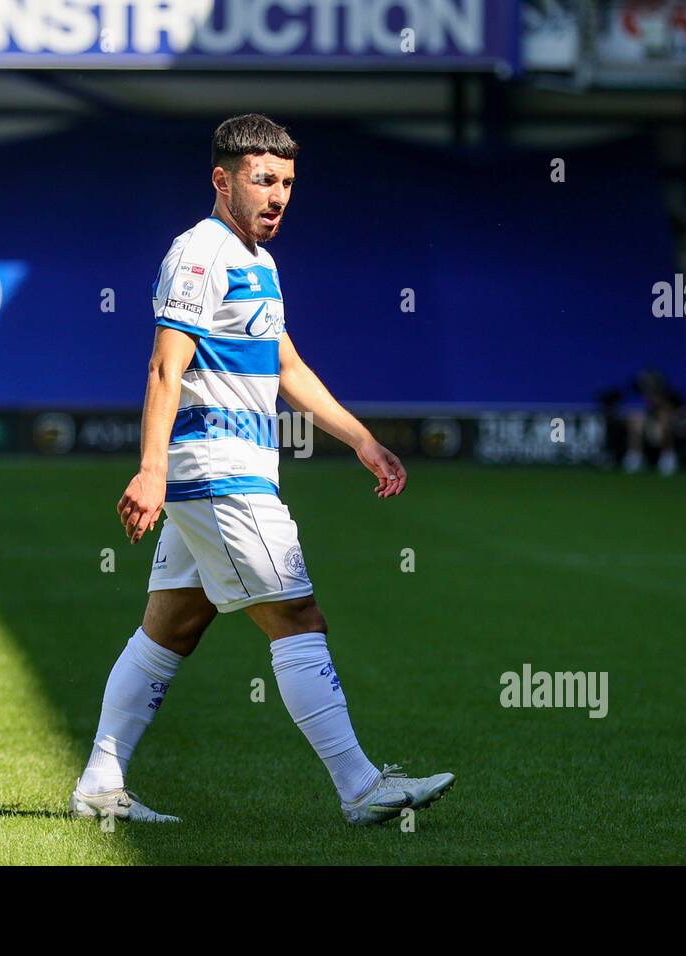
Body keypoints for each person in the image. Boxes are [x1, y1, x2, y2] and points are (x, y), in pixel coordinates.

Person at [69, 115, 454, 826]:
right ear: (223, 180)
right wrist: (150, 470)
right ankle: (361, 787)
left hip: (223, 474)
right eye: (262, 180)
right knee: (299, 617)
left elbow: (286, 366)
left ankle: (99, 782)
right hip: (218, 471)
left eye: (286, 183)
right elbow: (165, 364)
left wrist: (361, 440)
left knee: (168, 632)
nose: (277, 196)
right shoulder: (200, 253)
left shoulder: (261, 262)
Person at [621, 370, 686, 476]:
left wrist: (662, 407)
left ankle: (668, 457)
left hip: (673, 431)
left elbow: (682, 417)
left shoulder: (673, 397)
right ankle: (635, 457)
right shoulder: (643, 397)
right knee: (636, 418)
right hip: (651, 431)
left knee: (664, 418)